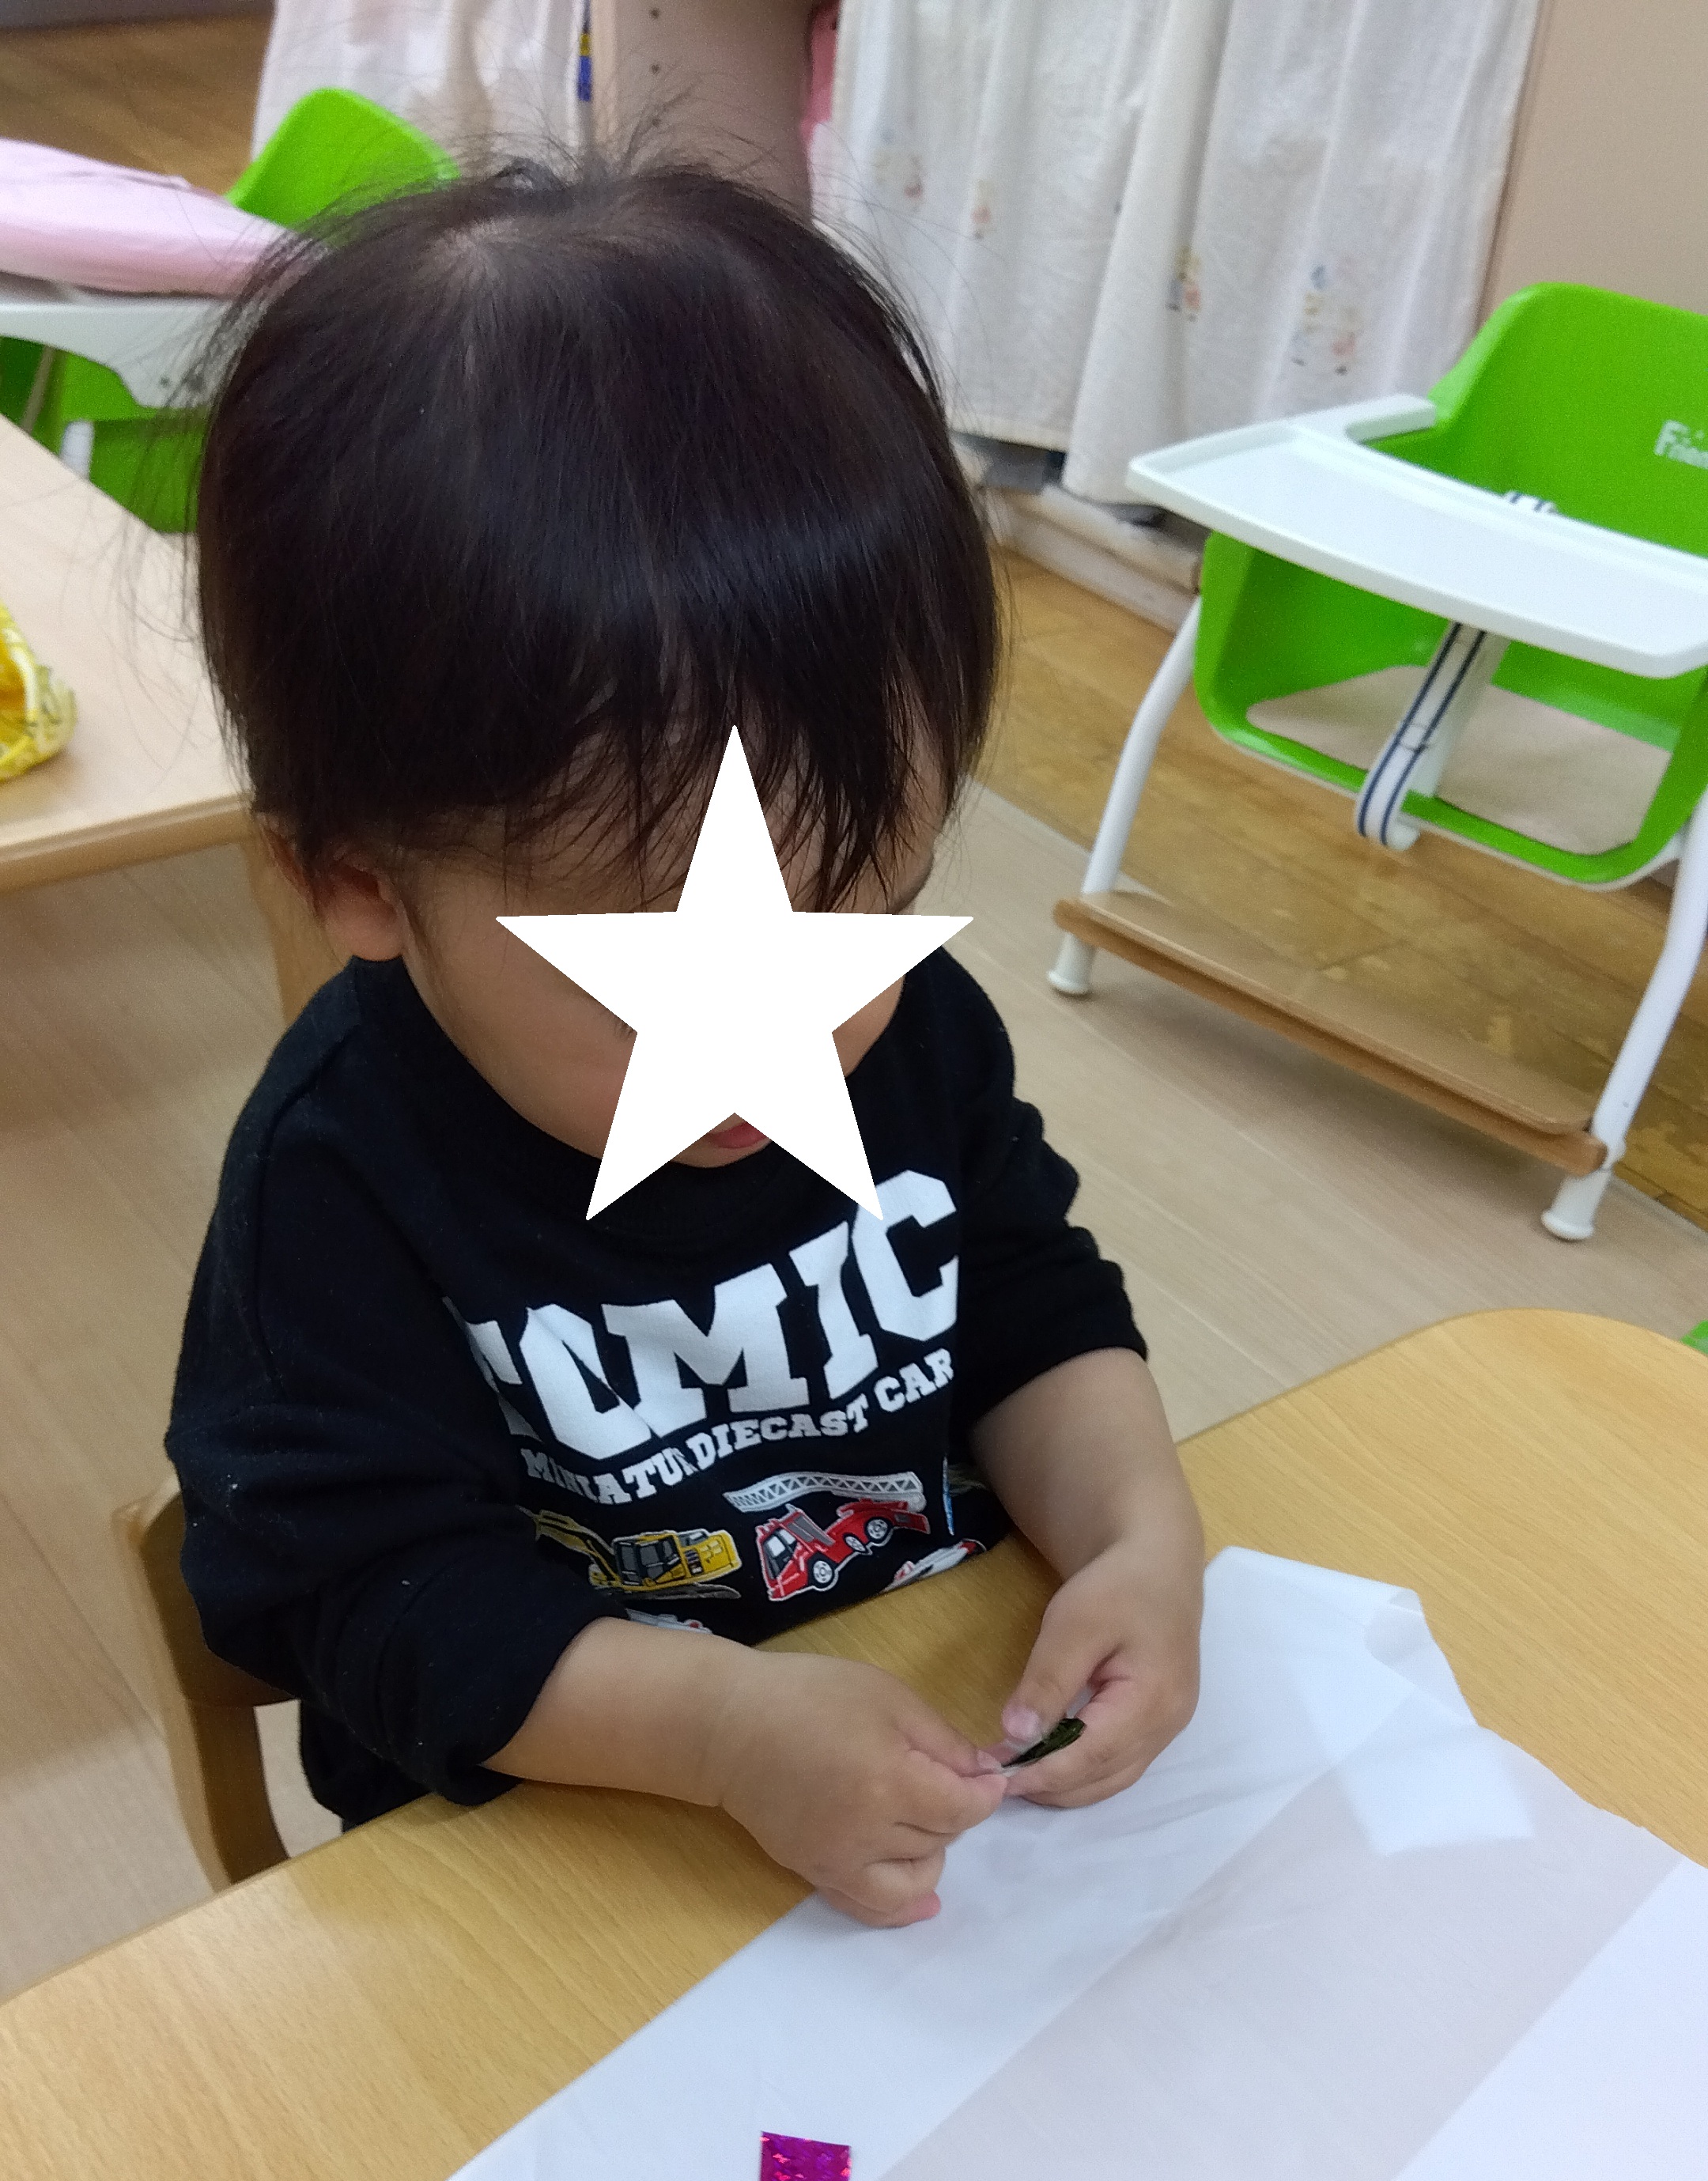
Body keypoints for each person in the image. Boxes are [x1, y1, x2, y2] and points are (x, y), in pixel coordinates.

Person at [169, 155, 1204, 1929]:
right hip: (557, 1858)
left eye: (863, 899)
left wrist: (1138, 1535)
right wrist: (720, 1731)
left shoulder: (906, 1034)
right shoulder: (342, 1180)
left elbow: (1027, 1300)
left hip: (929, 1763)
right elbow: (357, 1601)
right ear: (357, 881)